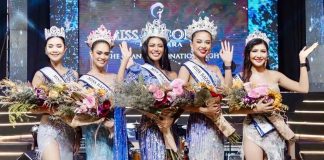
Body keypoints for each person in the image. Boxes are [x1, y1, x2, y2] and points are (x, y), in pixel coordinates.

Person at [232, 30, 318, 160]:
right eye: (254, 51)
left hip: (275, 127)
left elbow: (303, 88)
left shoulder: (275, 75)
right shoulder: (241, 78)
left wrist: (302, 61)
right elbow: (233, 108)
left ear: (267, 55)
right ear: (248, 54)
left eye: (263, 51)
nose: (259, 55)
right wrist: (256, 109)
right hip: (253, 128)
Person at [118, 19, 179, 160]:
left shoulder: (172, 75)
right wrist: (125, 61)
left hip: (169, 126)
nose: (156, 49)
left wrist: (170, 119)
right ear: (146, 48)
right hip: (150, 127)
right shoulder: (138, 70)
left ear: (164, 49)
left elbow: (179, 103)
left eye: (160, 46)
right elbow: (121, 89)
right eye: (152, 45)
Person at [178, 16, 233, 160]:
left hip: (216, 124)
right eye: (199, 41)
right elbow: (180, 102)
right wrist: (203, 110)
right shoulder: (186, 68)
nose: (203, 45)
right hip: (199, 126)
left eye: (207, 42)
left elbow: (227, 90)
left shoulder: (214, 68)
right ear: (191, 44)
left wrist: (227, 65)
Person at [32, 26, 79, 160]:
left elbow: (77, 108)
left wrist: (78, 133)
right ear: (46, 50)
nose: (54, 49)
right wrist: (55, 110)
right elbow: (33, 107)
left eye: (58, 46)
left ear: (65, 49)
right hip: (48, 128)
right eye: (51, 46)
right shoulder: (40, 75)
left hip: (68, 130)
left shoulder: (74, 75)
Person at [78, 25, 116, 160]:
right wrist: (102, 121)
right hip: (96, 135)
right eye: (99, 53)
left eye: (106, 53)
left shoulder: (114, 78)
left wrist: (113, 124)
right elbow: (81, 113)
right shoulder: (83, 82)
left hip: (115, 134)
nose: (102, 57)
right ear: (91, 53)